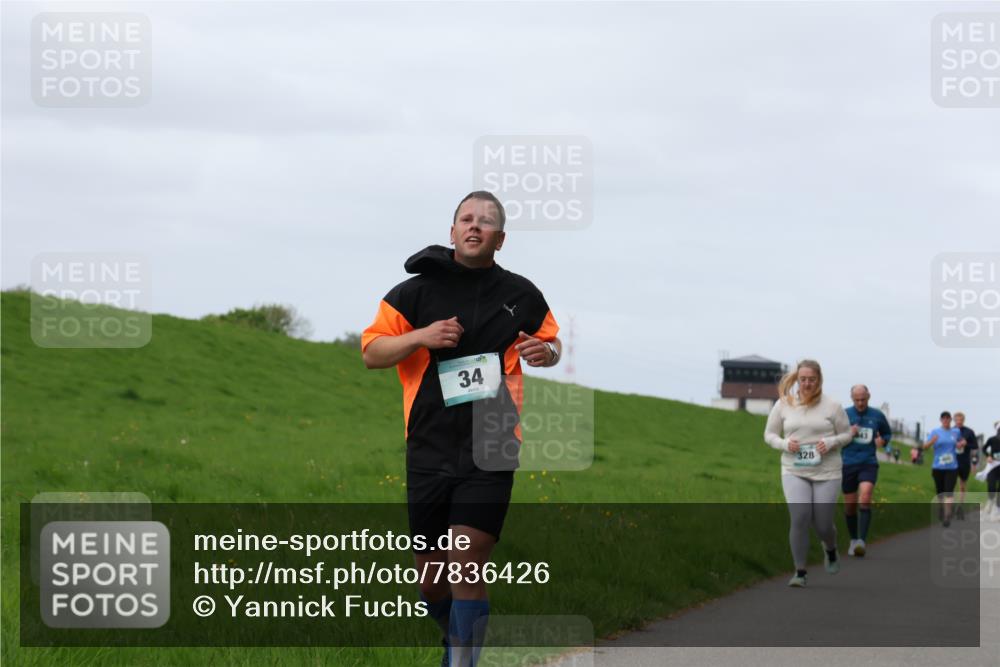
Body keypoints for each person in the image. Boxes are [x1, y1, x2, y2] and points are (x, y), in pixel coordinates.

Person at [361, 191, 561, 667]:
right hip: (428, 446)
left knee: (466, 565)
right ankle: (458, 640)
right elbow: (371, 353)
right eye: (466, 220)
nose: (475, 227)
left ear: (501, 238)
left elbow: (550, 345)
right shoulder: (413, 293)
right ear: (452, 232)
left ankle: (463, 660)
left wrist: (544, 352)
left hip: (492, 443)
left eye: (486, 222)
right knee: (431, 581)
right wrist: (422, 337)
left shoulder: (522, 294)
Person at [764, 359, 853, 587]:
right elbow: (769, 435)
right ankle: (800, 571)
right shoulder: (784, 404)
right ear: (797, 379)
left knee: (823, 524)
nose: (807, 384)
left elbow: (847, 435)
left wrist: (831, 441)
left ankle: (830, 549)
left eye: (811, 379)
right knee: (800, 517)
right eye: (803, 379)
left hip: (827, 471)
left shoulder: (832, 405)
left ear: (819, 380)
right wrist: (785, 444)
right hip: (794, 469)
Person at [841, 385, 893, 557]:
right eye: (856, 400)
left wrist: (882, 442)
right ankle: (853, 540)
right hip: (847, 463)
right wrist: (849, 433)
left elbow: (886, 434)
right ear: (851, 398)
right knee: (850, 506)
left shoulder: (877, 415)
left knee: (865, 496)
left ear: (868, 396)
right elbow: (834, 436)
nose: (860, 403)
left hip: (868, 462)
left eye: (863, 399)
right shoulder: (844, 414)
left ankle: (862, 541)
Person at [922, 411, 962, 527]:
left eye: (947, 418)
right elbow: (925, 447)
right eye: (943, 418)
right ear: (940, 420)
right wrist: (932, 441)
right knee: (940, 493)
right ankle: (941, 509)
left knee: (948, 492)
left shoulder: (956, 432)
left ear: (950, 420)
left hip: (952, 467)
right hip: (938, 467)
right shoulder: (935, 432)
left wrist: (961, 444)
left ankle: (947, 516)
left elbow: (960, 442)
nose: (945, 420)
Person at [953, 411, 979, 520]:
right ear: (954, 420)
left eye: (961, 420)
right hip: (952, 462)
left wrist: (966, 444)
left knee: (962, 486)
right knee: (950, 484)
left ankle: (960, 507)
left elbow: (975, 446)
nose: (959, 422)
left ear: (963, 420)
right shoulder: (950, 431)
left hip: (964, 462)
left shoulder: (969, 432)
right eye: (957, 420)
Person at [979, 424, 1000, 521]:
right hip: (993, 466)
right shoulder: (992, 439)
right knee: (991, 486)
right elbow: (984, 448)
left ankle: (997, 511)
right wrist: (988, 456)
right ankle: (990, 501)